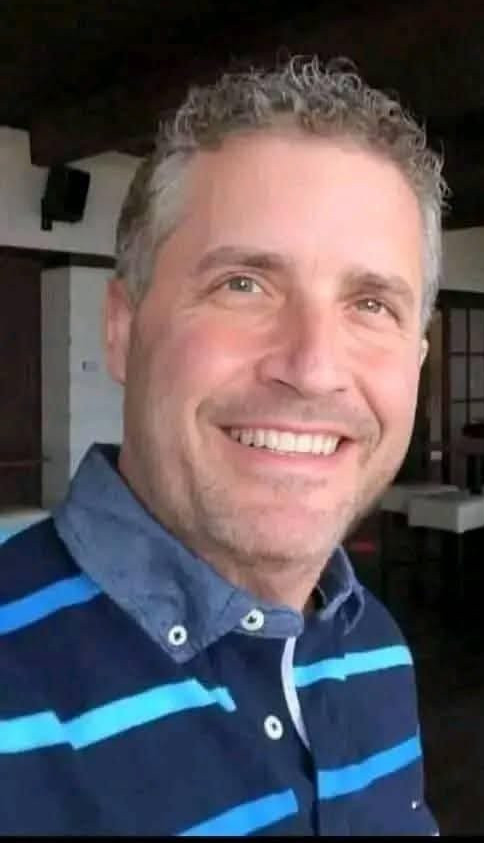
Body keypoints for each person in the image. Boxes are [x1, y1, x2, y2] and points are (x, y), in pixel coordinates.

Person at [0, 54, 448, 835]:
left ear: (415, 358)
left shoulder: (374, 647)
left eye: (371, 303)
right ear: (122, 327)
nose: (312, 367)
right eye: (243, 284)